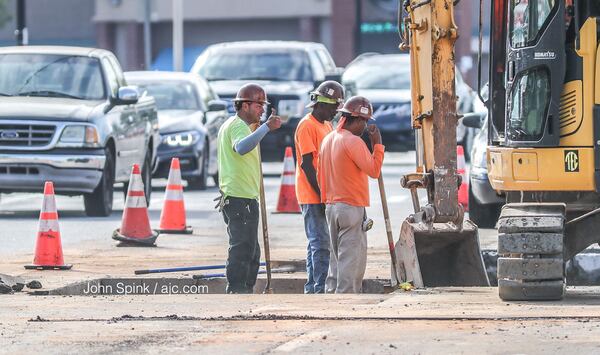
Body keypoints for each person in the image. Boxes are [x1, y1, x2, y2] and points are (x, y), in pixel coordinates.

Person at [216, 83, 282, 294]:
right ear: (245, 105)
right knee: (242, 248)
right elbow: (241, 147)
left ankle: (246, 288)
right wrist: (265, 128)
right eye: (258, 105)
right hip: (239, 198)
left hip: (243, 196)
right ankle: (237, 289)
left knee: (251, 250)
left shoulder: (242, 126)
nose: (262, 110)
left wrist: (261, 127)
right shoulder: (236, 126)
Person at [318, 96, 384, 293]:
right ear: (356, 119)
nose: (365, 127)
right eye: (364, 121)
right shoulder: (353, 141)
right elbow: (374, 170)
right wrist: (377, 145)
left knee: (336, 260)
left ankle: (332, 298)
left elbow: (320, 174)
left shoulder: (328, 139)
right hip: (350, 207)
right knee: (350, 262)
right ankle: (346, 303)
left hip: (330, 206)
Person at [294, 81, 345, 294]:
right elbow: (307, 165)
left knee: (315, 242)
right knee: (320, 243)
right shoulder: (307, 126)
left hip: (325, 192)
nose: (335, 112)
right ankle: (319, 288)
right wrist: (321, 194)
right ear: (321, 104)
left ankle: (311, 286)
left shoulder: (325, 125)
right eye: (334, 107)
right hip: (311, 193)